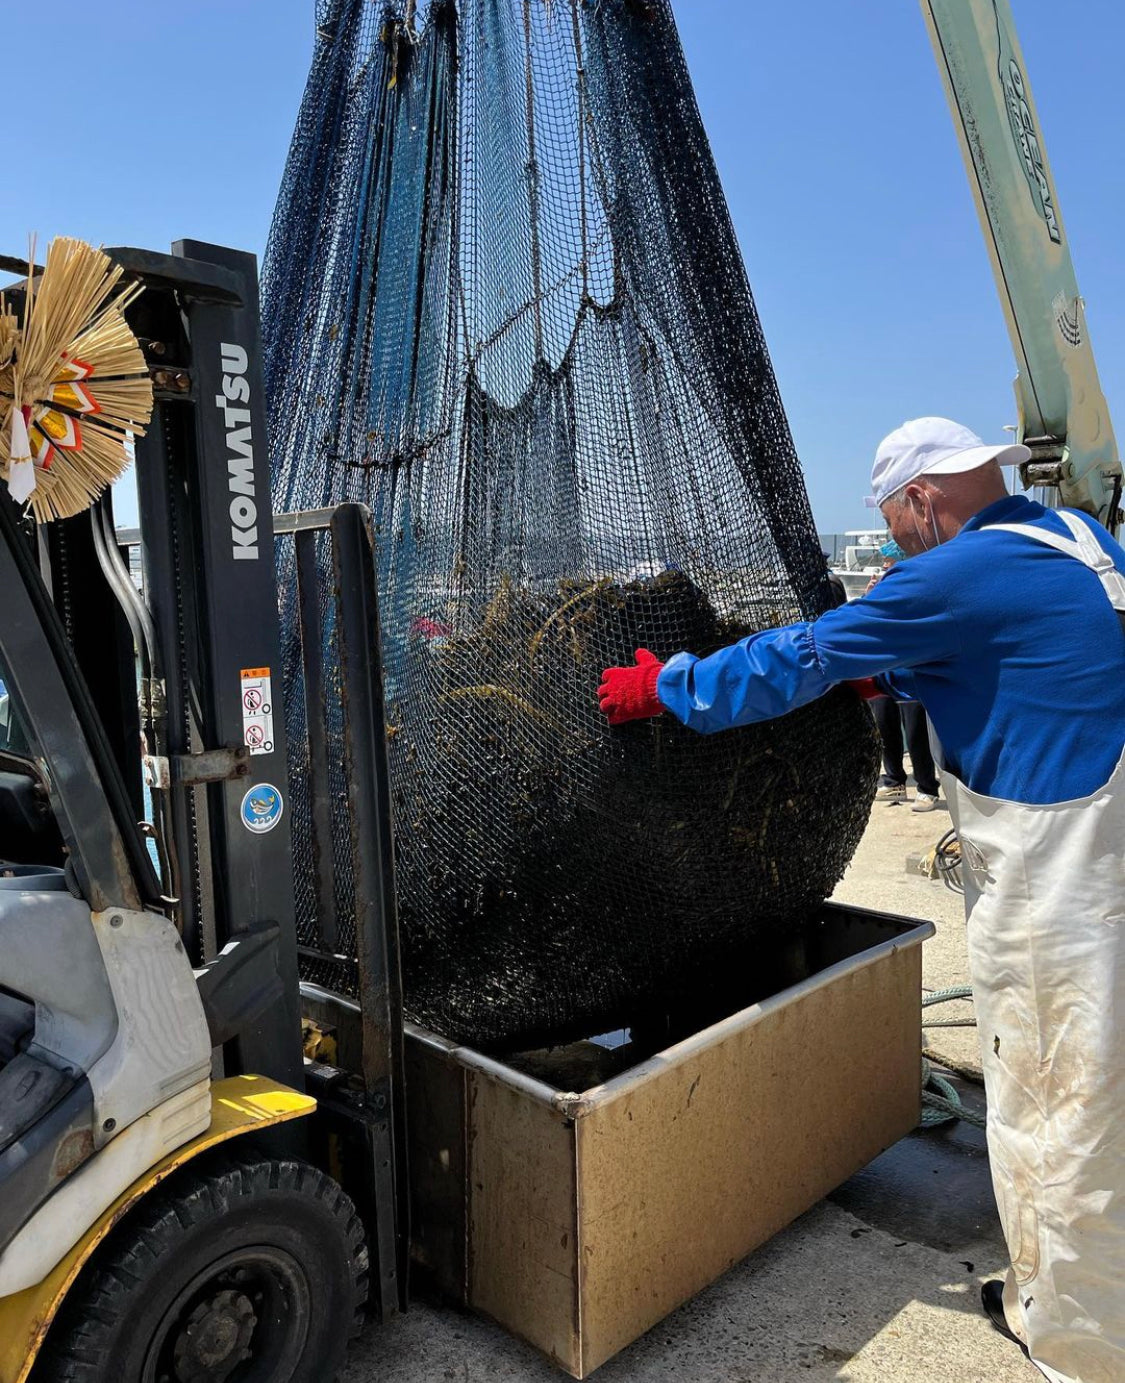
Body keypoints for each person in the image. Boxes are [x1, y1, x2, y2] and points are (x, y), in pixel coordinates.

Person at [598, 416, 1125, 1383]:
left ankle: (1077, 1344)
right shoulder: (1079, 541)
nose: (893, 545)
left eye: (892, 525)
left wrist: (669, 687)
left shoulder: (946, 575)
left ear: (922, 500)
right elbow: (1015, 650)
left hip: (1066, 893)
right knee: (1109, 1100)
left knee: (1054, 1108)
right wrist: (894, 660)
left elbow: (794, 656)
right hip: (1109, 853)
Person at [865, 555, 941, 811]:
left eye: (890, 569)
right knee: (885, 727)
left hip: (911, 681)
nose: (886, 573)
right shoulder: (879, 599)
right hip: (884, 678)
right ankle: (895, 779)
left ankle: (927, 788)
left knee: (916, 734)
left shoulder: (917, 600)